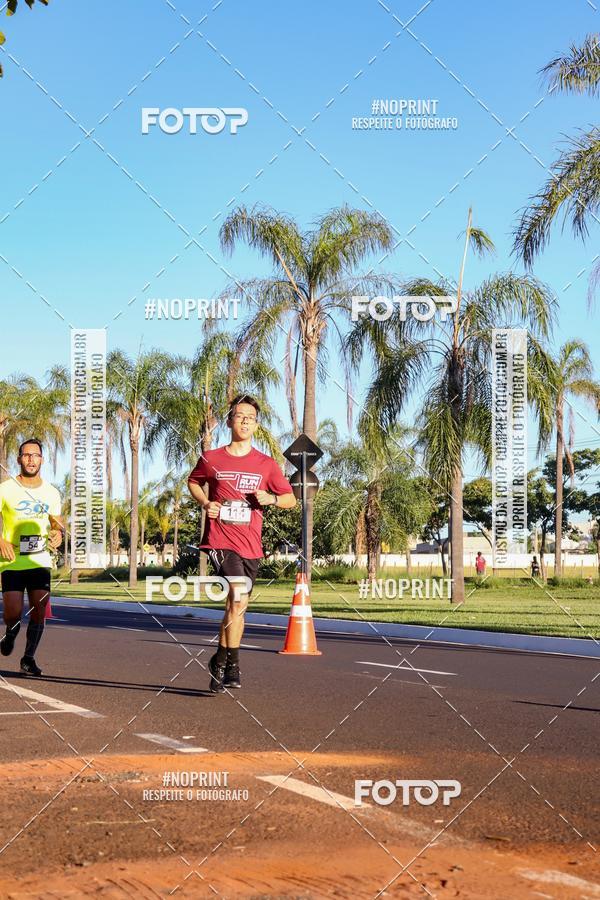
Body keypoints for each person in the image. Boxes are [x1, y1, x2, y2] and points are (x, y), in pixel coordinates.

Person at [188, 396, 296, 693]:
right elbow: (194, 481)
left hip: (251, 544)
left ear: (256, 425)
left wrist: (271, 498)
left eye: (251, 417)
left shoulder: (266, 464)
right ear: (229, 421)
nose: (245, 420)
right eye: (240, 415)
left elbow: (290, 499)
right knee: (237, 596)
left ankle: (219, 660)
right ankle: (233, 665)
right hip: (220, 540)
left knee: (238, 606)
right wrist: (206, 502)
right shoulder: (212, 458)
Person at [0, 439, 64, 676]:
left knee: (40, 607)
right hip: (12, 559)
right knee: (13, 612)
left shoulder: (51, 492)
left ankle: (28, 658)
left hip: (40, 559)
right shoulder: (6, 488)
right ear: (19, 459)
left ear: (41, 460)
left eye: (35, 455)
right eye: (26, 455)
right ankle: (11, 632)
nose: (30, 459)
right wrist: (1, 540)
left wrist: (58, 533)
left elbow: (56, 523)